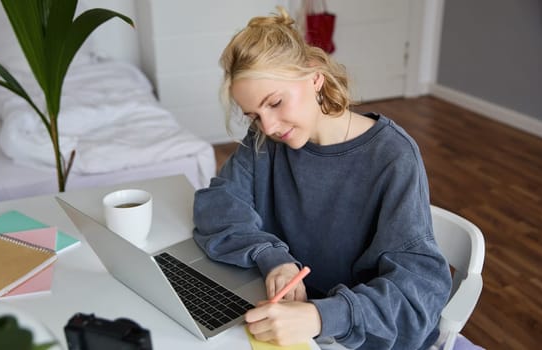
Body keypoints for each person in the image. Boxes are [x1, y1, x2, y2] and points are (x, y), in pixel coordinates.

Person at [192, 7, 453, 350]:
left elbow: (417, 293)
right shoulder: (266, 142)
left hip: (357, 334)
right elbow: (218, 204)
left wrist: (319, 317)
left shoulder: (392, 156)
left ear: (315, 77)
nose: (268, 126)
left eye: (275, 103)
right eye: (254, 116)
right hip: (290, 321)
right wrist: (273, 258)